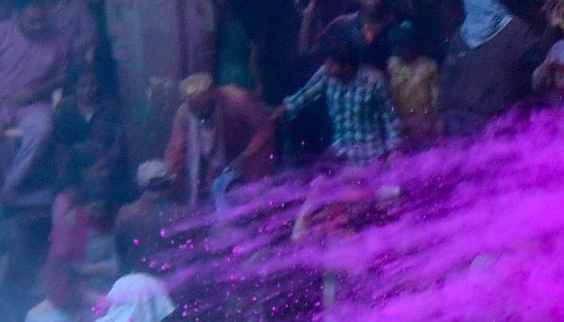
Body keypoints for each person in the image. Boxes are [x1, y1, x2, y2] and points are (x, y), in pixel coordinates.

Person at [0, 1, 72, 201]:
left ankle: (13, 182)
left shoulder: (58, 40)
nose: (38, 26)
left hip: (34, 104)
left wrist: (35, 92)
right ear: (17, 16)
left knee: (42, 130)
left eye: (42, 21)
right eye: (32, 22)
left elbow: (64, 76)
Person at [439, 0, 539, 135]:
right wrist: (443, 112)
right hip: (461, 122)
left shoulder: (515, 29)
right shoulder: (460, 35)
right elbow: (448, 75)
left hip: (502, 121)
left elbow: (537, 59)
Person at [280, 37, 400, 167]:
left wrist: (393, 152)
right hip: (341, 155)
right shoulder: (326, 75)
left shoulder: (374, 80)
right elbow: (303, 96)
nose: (327, 68)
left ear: (347, 66)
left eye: (331, 65)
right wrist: (282, 110)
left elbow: (390, 119)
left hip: (372, 157)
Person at [162, 75, 276, 208]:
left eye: (203, 107)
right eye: (194, 108)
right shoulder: (184, 113)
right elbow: (177, 148)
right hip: (217, 171)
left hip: (251, 161)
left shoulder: (236, 99)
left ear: (213, 96)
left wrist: (246, 156)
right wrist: (168, 174)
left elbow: (265, 128)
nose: (199, 114)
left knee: (254, 205)